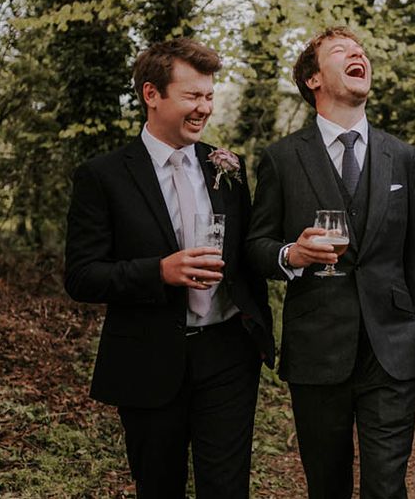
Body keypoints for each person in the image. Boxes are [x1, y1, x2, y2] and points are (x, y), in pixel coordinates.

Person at [64, 38, 274, 499]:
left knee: (228, 488)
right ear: (151, 95)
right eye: (192, 96)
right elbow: (81, 275)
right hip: (148, 357)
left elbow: (249, 253)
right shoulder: (103, 176)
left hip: (227, 355)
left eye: (209, 96)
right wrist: (157, 272)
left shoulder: (228, 167)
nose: (204, 108)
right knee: (159, 488)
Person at [246, 26, 415, 499]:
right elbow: (256, 246)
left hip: (391, 347)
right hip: (316, 349)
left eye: (362, 51)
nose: (358, 56)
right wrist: (293, 254)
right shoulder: (283, 158)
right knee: (326, 484)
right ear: (312, 79)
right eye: (342, 51)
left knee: (387, 487)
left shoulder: (402, 156)